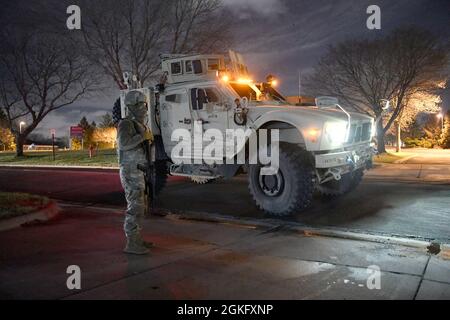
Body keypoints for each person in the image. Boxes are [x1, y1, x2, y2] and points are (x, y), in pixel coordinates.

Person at [117, 91, 154, 255]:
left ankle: (137, 239)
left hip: (139, 170)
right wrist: (143, 137)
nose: (144, 109)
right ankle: (131, 243)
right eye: (140, 105)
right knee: (134, 206)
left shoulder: (140, 124)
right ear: (131, 106)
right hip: (131, 170)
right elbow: (124, 144)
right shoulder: (126, 124)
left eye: (144, 105)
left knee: (140, 206)